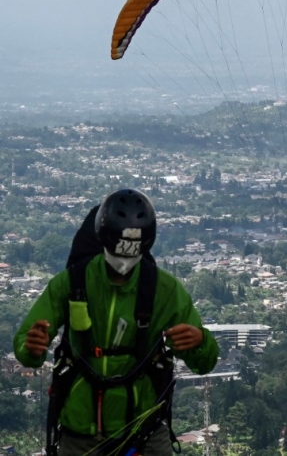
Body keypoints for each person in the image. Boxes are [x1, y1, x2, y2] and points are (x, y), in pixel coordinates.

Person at [14, 188, 219, 456]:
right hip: (81, 428)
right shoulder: (73, 282)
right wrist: (31, 348)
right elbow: (26, 342)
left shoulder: (164, 290)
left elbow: (205, 363)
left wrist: (200, 342)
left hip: (144, 428)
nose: (123, 262)